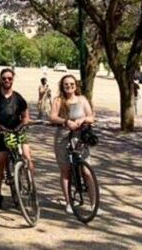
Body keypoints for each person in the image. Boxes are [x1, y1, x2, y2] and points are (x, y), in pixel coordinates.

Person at [0, 67, 32, 209]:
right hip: (1, 133)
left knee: (27, 157)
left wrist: (22, 126)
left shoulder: (18, 97)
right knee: (0, 162)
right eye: (4, 78)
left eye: (9, 78)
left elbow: (26, 117)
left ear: (13, 79)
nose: (7, 80)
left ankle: (30, 184)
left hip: (17, 132)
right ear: (0, 79)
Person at [49, 74, 96, 208]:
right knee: (66, 171)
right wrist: (65, 122)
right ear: (62, 87)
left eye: (72, 84)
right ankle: (69, 203)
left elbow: (91, 116)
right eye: (66, 84)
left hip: (80, 137)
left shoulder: (82, 99)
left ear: (76, 85)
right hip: (63, 137)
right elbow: (52, 117)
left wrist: (83, 120)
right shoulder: (58, 100)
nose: (69, 86)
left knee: (86, 171)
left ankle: (93, 204)